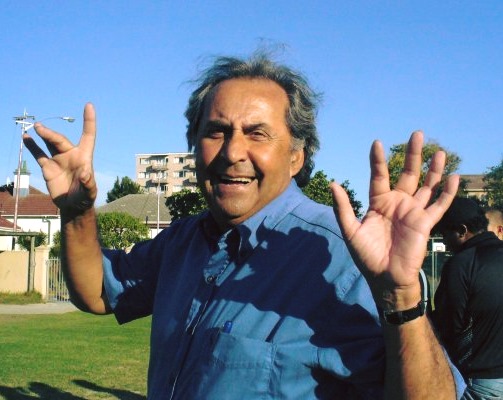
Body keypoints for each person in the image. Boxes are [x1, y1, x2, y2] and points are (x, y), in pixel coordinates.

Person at [24, 53, 465, 399]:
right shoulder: (182, 241)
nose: (232, 152)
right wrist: (77, 212)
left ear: (296, 157)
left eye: (257, 133)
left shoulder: (342, 257)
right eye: (216, 131)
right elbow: (98, 293)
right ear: (193, 147)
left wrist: (400, 297)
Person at [433, 197, 503, 399]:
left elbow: (449, 326)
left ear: (462, 231)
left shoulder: (461, 264)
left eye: (445, 234)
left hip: (483, 381)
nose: (444, 241)